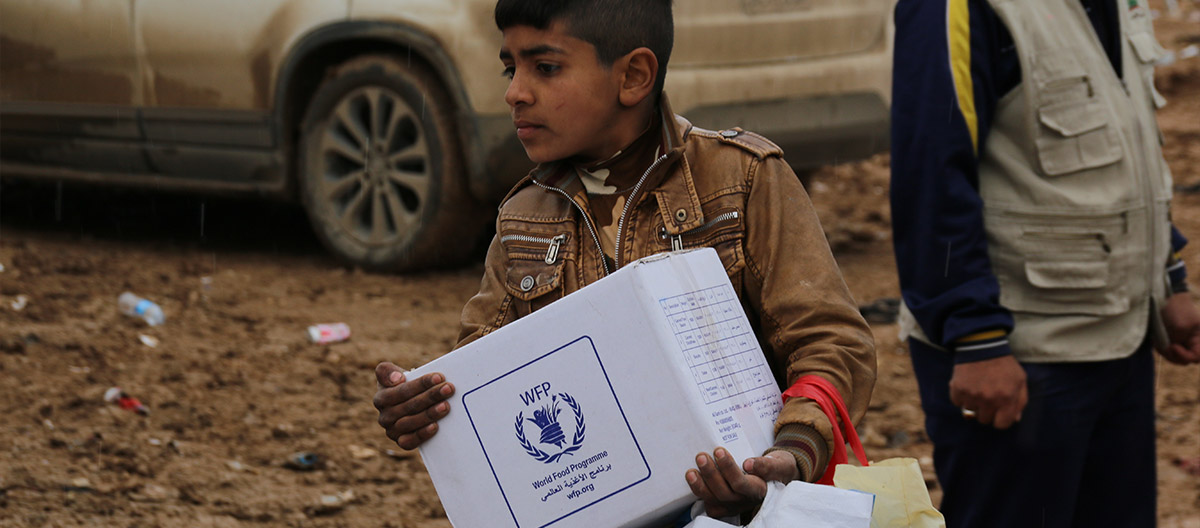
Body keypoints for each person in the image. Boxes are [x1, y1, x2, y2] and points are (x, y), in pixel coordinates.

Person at [373, 0, 876, 520]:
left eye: (545, 68)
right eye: (511, 67)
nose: (515, 92)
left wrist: (791, 453)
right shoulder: (524, 216)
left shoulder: (742, 180)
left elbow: (831, 342)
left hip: (742, 511)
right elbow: (486, 377)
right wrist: (427, 408)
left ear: (634, 76)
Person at [890, 0, 1200, 526]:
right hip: (1019, 359)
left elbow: (1129, 146)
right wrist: (975, 338)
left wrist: (1167, 281)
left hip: (1119, 341)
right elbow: (932, 172)